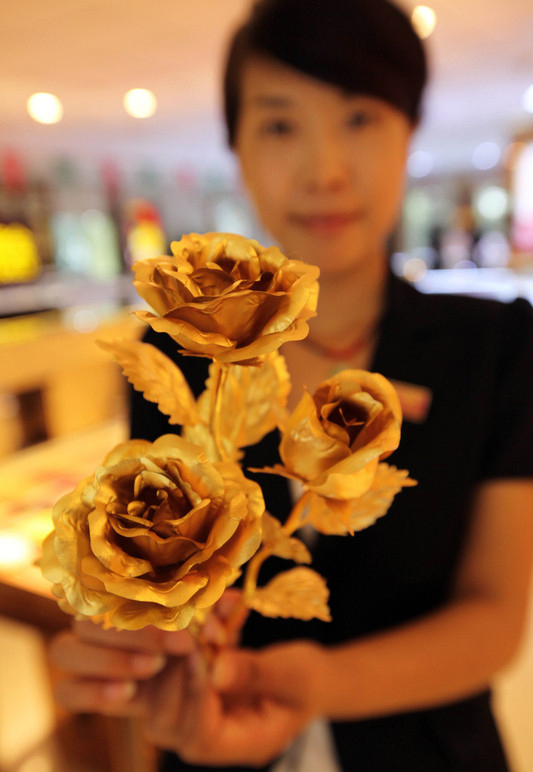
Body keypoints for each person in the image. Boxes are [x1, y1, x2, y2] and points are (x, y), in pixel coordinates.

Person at [49, 1, 533, 770]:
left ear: (409, 132)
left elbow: (496, 618)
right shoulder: (172, 351)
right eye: (279, 126)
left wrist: (318, 684)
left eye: (360, 118)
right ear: (236, 148)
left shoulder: (495, 346)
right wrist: (131, 634)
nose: (324, 171)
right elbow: (161, 560)